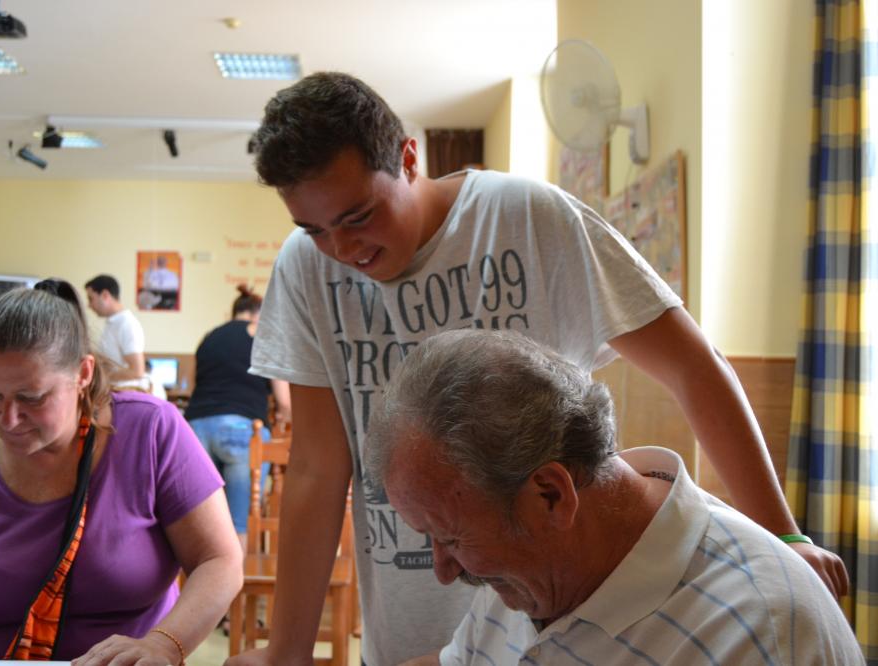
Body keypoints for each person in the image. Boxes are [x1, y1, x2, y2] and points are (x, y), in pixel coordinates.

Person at [233, 71, 848, 665]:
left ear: (408, 158)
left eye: (358, 216)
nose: (343, 250)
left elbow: (693, 366)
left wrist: (785, 541)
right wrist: (288, 650)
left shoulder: (524, 216)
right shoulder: (305, 268)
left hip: (565, 619)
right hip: (411, 626)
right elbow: (317, 465)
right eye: (314, 229)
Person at [366, 329, 865, 666]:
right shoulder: (524, 569)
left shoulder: (759, 629)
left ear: (551, 495)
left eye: (450, 538)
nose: (444, 570)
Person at [0, 279, 243, 663]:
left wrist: (163, 644)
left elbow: (219, 561)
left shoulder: (151, 432)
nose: (9, 419)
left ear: (83, 374)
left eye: (31, 398)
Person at [185, 285, 291, 552]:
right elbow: (285, 402)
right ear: (257, 315)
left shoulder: (208, 338)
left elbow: (197, 384)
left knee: (202, 525)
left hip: (195, 430)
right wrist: (282, 416)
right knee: (237, 525)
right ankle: (237, 593)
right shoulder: (261, 333)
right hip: (241, 430)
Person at [84, 274, 147, 389]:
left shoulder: (127, 324)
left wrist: (100, 377)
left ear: (105, 295)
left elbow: (137, 371)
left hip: (124, 395)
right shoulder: (112, 323)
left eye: (91, 299)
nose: (89, 305)